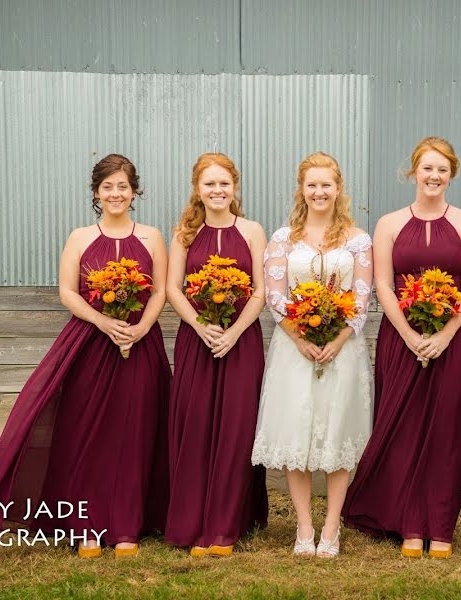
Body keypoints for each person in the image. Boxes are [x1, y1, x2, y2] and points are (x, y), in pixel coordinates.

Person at [0, 154, 172, 558]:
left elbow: (161, 290)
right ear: (96, 192)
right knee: (87, 433)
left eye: (123, 186)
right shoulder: (79, 237)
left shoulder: (152, 236)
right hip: (90, 345)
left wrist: (142, 328)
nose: (116, 194)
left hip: (139, 343)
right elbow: (67, 291)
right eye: (108, 186)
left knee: (135, 433)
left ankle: (129, 526)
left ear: (135, 191)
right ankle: (87, 527)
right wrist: (103, 322)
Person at [342, 137, 461, 559]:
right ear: (414, 172)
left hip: (452, 339)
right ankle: (407, 523)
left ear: (451, 174)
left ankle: (439, 526)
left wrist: (443, 335)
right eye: (427, 169)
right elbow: (383, 285)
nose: (434, 177)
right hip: (400, 340)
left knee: (448, 430)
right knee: (401, 428)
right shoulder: (387, 224)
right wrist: (408, 334)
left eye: (442, 170)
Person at [251, 152, 373, 558]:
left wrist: (337, 340)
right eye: (312, 185)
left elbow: (360, 296)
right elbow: (275, 295)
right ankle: (304, 526)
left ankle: (332, 526)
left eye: (327, 185)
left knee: (338, 431)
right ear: (301, 189)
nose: (320, 192)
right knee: (296, 431)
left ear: (338, 189)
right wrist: (300, 337)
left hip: (343, 349)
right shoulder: (283, 238)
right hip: (294, 349)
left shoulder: (358, 239)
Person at [164, 153, 268, 556]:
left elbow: (259, 291)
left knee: (237, 430)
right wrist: (200, 325)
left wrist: (234, 332)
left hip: (242, 341)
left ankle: (226, 526)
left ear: (235, 186)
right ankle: (192, 522)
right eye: (209, 184)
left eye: (224, 183)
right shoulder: (184, 234)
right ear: (197, 189)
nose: (217, 190)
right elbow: (174, 288)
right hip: (197, 341)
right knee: (197, 426)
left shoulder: (253, 231)